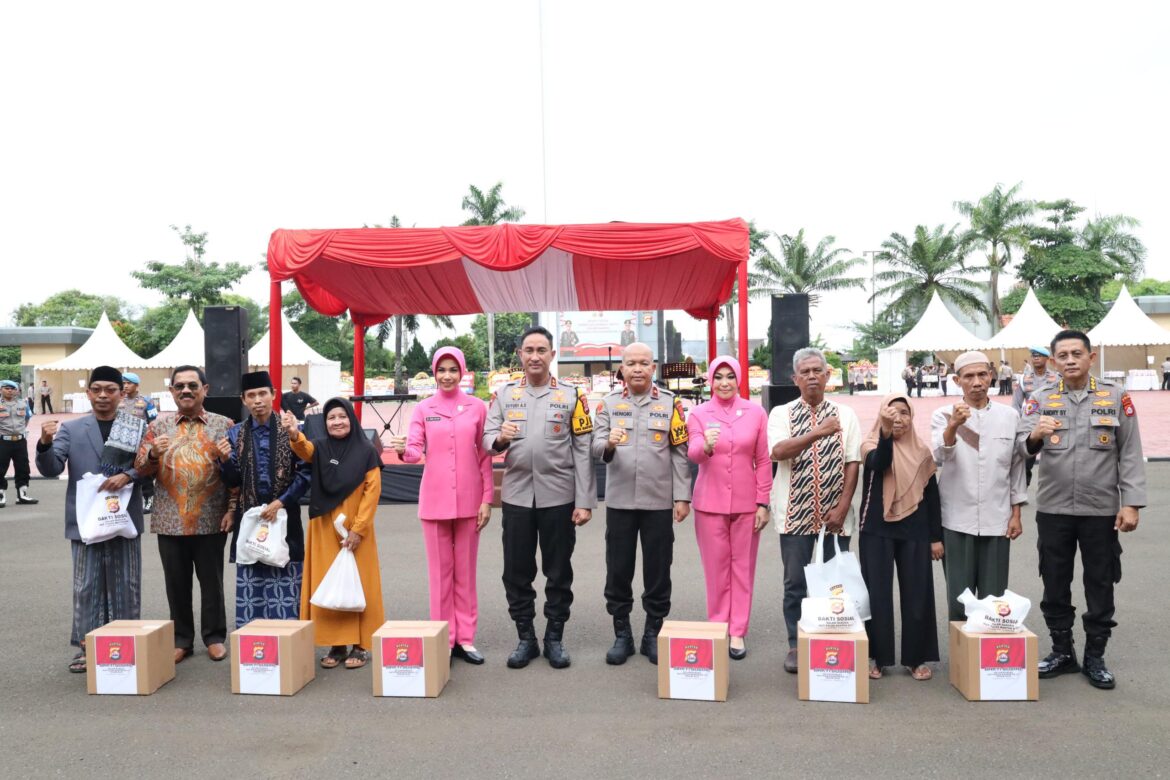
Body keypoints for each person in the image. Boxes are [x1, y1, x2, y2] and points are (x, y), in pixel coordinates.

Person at [1017, 330, 1145, 689]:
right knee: (1054, 580)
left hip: (1100, 509)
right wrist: (1035, 436)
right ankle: (1062, 651)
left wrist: (1131, 503)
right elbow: (1021, 448)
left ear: (1091, 358)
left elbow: (1131, 452)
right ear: (1054, 362)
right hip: (1054, 508)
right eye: (1063, 355)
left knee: (1100, 581)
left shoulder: (1115, 397)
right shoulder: (1039, 399)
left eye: (1077, 353)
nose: (1070, 360)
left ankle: (1095, 656)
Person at [483, 326, 596, 669]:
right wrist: (501, 439)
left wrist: (584, 500)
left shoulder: (572, 396)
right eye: (528, 350)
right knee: (516, 571)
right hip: (517, 497)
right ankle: (526, 638)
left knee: (558, 570)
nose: (535, 356)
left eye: (541, 350)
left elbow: (583, 449)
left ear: (552, 355)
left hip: (559, 497)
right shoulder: (504, 395)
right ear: (519, 355)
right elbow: (488, 440)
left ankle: (555, 638)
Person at [36, 366, 147, 673]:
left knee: (126, 583)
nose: (102, 395)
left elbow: (150, 466)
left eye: (109, 390)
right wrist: (45, 443)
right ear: (88, 393)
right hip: (84, 522)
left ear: (121, 393)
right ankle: (87, 647)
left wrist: (129, 475)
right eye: (96, 389)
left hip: (123, 520)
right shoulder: (72, 429)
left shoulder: (135, 427)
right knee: (87, 585)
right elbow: (50, 468)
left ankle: (125, 643)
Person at [592, 342, 691, 665]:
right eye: (631, 363)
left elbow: (679, 452)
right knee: (618, 570)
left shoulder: (670, 404)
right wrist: (607, 443)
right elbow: (594, 446)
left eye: (643, 363)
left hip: (659, 501)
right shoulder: (607, 404)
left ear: (653, 367)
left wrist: (682, 496)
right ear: (621, 368)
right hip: (620, 502)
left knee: (658, 571)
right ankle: (622, 634)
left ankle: (653, 633)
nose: (637, 368)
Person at [391, 347, 492, 665]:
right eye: (441, 370)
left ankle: (466, 638)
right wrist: (401, 449)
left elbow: (485, 456)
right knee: (439, 574)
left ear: (462, 372)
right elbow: (414, 452)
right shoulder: (423, 409)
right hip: (434, 502)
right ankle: (443, 639)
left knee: (465, 573)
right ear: (434, 373)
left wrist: (486, 499)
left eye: (453, 369)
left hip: (469, 501)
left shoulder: (478, 407)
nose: (447, 375)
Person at [768, 348, 862, 673]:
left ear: (828, 376)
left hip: (835, 519)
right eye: (804, 372)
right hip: (795, 515)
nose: (811, 376)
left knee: (834, 584)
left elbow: (853, 462)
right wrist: (818, 432)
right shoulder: (781, 414)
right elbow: (778, 451)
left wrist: (843, 506)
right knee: (795, 583)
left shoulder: (846, 415)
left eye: (816, 371)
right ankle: (795, 644)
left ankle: (831, 639)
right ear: (795, 379)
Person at [134, 365, 234, 664]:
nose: (186, 391)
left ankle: (214, 637)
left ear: (206, 389)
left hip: (211, 517)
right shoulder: (157, 427)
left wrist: (231, 508)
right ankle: (182, 640)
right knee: (176, 584)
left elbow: (236, 474)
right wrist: (152, 454)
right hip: (170, 520)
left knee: (212, 582)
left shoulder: (225, 425)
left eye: (192, 385)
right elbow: (139, 469)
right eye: (179, 386)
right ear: (171, 392)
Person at [287, 398, 385, 669]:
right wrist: (295, 434)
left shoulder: (366, 450)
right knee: (328, 583)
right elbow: (303, 449)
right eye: (331, 418)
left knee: (360, 583)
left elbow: (372, 491)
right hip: (323, 525)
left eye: (342, 416)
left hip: (356, 529)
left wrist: (358, 529)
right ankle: (337, 645)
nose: (337, 422)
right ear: (325, 422)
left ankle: (361, 645)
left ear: (351, 420)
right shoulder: (318, 446)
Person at [931, 352, 1026, 622]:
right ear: (956, 380)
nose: (976, 382)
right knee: (960, 598)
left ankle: (988, 656)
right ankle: (963, 658)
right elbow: (940, 456)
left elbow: (1016, 466)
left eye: (982, 375)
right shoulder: (943, 415)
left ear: (991, 376)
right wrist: (954, 426)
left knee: (993, 598)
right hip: (956, 517)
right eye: (969, 376)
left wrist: (1016, 513)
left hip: (998, 517)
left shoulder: (1009, 416)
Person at [686, 356, 770, 659]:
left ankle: (738, 631)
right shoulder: (697, 413)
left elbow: (762, 460)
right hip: (710, 503)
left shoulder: (756, 413)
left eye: (730, 377)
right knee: (716, 569)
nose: (724, 383)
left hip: (748, 504)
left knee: (742, 568)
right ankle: (718, 624)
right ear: (710, 380)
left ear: (739, 379)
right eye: (718, 377)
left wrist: (763, 502)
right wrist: (706, 445)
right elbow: (693, 454)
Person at [859, 394, 943, 681]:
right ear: (881, 416)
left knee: (918, 594)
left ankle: (915, 658)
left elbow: (933, 498)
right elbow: (881, 462)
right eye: (891, 413)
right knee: (877, 596)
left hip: (915, 530)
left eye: (904, 413)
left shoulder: (922, 452)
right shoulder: (870, 445)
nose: (898, 418)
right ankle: (878, 658)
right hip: (876, 529)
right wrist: (884, 433)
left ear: (912, 417)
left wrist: (935, 538)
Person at [218, 371, 310, 627]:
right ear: (243, 399)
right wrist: (224, 461)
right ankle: (254, 651)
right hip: (250, 520)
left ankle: (288, 646)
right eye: (251, 395)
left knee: (286, 582)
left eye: (262, 394)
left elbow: (306, 473)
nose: (257, 400)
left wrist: (281, 502)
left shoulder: (291, 430)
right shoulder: (235, 434)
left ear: (273, 395)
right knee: (253, 583)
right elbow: (234, 481)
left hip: (285, 517)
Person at [1013, 346, 1061, 486]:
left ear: (1047, 359)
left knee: (1056, 457)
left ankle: (1055, 488)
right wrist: (1019, 425)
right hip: (1031, 424)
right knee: (1026, 458)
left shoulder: (1057, 378)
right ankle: (1023, 487)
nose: (1036, 358)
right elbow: (1016, 404)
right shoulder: (1023, 379)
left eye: (1039, 355)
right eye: (1033, 356)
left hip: (1054, 423)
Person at [120, 372, 158, 511]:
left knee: (144, 473)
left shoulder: (147, 401)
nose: (125, 386)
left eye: (129, 383)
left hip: (141, 443)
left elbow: (153, 422)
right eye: (124, 383)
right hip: (122, 443)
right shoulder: (119, 401)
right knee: (125, 472)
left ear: (136, 385)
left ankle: (149, 499)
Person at [1, 379, 38, 506]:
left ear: (16, 390)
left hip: (20, 441)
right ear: (1, 390)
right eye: (7, 388)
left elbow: (27, 418)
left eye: (13, 388)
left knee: (23, 467)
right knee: (0, 468)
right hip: (3, 441)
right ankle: (1, 495)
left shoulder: (23, 403)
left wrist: (20, 431)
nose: (10, 391)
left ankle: (22, 495)